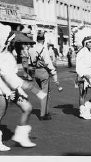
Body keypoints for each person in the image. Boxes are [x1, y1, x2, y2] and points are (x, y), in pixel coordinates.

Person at [0, 23, 47, 151]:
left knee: (27, 107)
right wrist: (35, 90)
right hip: (3, 89)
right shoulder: (3, 56)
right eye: (11, 40)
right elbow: (11, 78)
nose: (14, 42)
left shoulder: (8, 54)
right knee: (1, 113)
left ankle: (21, 136)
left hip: (11, 88)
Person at [29, 32, 62, 120]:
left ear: (36, 39)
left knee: (45, 93)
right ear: (43, 40)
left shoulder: (31, 49)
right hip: (44, 72)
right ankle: (43, 114)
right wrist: (54, 73)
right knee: (44, 93)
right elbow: (48, 63)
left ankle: (46, 111)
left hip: (36, 72)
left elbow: (30, 63)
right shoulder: (44, 49)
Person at [75, 33, 91, 120]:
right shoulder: (81, 51)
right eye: (89, 42)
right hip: (83, 75)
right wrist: (81, 76)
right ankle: (82, 112)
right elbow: (78, 65)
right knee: (83, 95)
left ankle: (87, 106)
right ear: (85, 43)